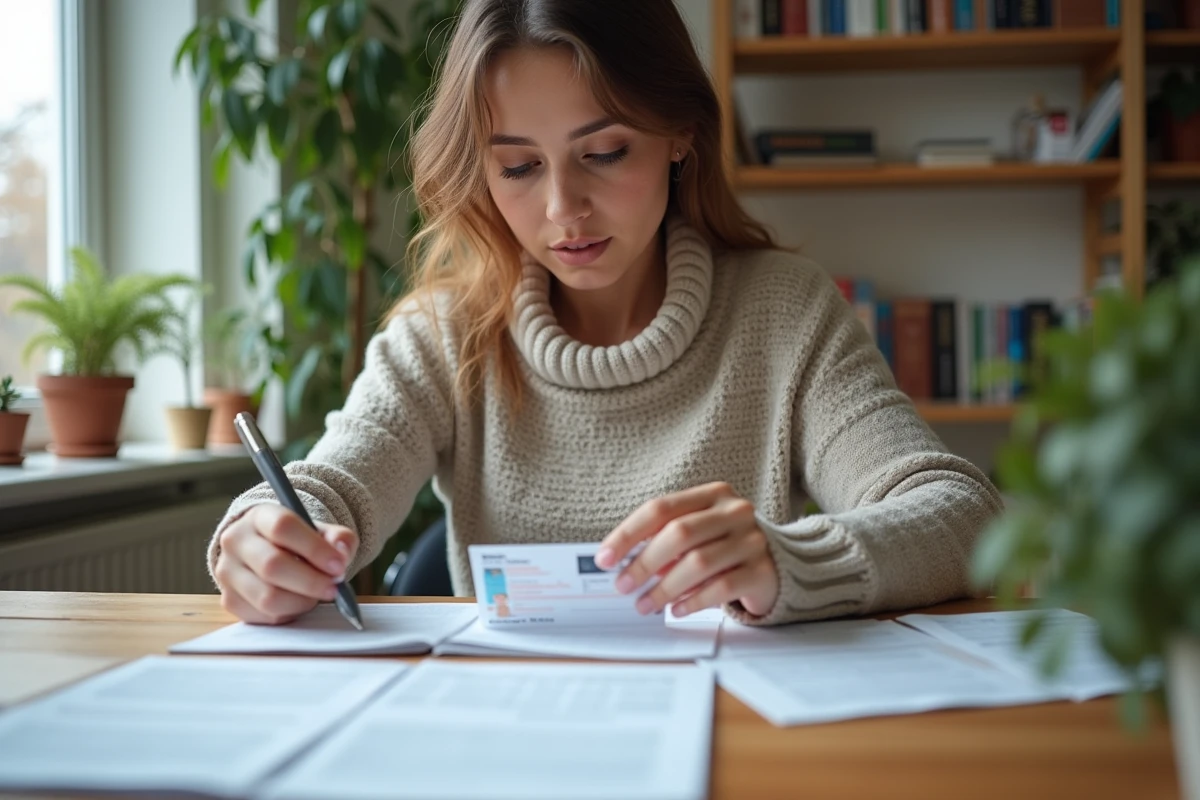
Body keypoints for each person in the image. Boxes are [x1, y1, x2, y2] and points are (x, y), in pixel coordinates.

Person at [208, 0, 1001, 628]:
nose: (563, 210)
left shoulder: (783, 312)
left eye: (605, 152)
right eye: (517, 167)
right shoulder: (444, 335)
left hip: (743, 737)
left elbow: (962, 518)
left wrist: (790, 560)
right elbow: (330, 486)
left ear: (680, 135)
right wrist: (267, 534)